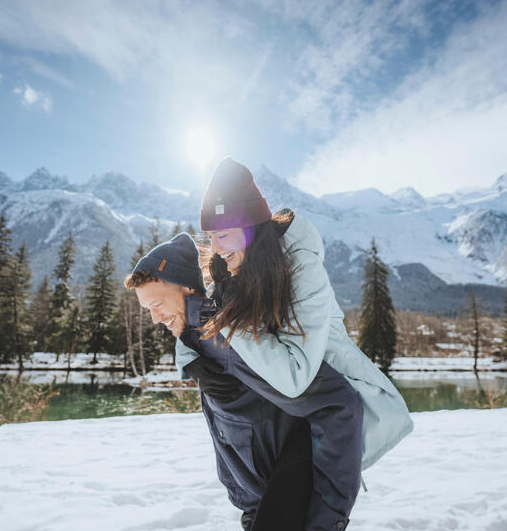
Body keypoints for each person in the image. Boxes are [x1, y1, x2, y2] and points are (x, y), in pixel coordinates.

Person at [174, 157, 414, 527]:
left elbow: (295, 376)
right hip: (271, 427)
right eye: (211, 235)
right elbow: (195, 329)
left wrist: (228, 325)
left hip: (322, 421)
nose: (216, 246)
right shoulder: (229, 270)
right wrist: (192, 363)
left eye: (224, 233)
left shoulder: (301, 266)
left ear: (251, 226)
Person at [124, 233, 364, 530]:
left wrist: (327, 518)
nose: (156, 318)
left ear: (187, 287)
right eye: (148, 309)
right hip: (259, 500)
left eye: (157, 304)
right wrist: (247, 505)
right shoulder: (197, 340)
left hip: (286, 497)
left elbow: (340, 404)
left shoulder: (231, 337)